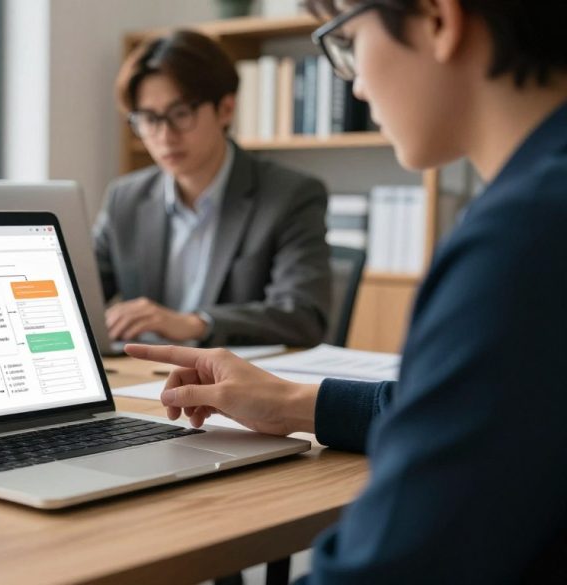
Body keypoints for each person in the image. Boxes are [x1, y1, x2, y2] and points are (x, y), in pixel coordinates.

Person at [127, 0, 567, 582]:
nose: (355, 85)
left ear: (439, 19)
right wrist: (291, 403)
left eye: (348, 40)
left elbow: (390, 567)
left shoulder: (523, 238)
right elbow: (463, 413)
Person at [93, 30, 332, 348]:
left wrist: (193, 324)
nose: (164, 136)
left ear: (226, 109)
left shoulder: (290, 195)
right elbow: (81, 295)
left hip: (231, 384)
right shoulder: (125, 198)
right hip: (144, 376)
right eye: (149, 119)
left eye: (180, 114)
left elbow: (302, 316)